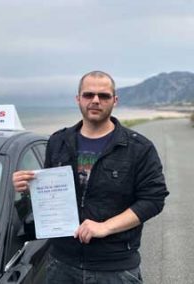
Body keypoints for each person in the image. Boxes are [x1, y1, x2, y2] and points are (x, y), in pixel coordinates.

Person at [13, 71, 169, 283]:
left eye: (104, 96)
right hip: (61, 263)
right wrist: (29, 187)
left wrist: (105, 226)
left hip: (115, 267)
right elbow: (53, 192)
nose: (95, 100)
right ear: (78, 99)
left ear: (115, 100)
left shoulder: (139, 148)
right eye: (88, 95)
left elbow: (154, 199)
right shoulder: (58, 141)